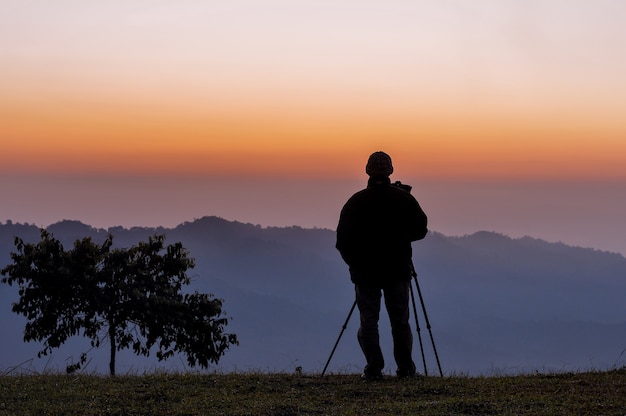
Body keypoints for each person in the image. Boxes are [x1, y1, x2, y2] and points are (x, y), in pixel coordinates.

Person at [336, 151, 428, 380]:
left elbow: (343, 241)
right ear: (390, 171)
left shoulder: (355, 202)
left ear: (368, 172)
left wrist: (355, 265)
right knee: (400, 321)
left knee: (368, 321)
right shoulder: (404, 199)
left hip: (365, 273)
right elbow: (420, 230)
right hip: (397, 270)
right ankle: (406, 369)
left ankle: (373, 369)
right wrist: (400, 238)